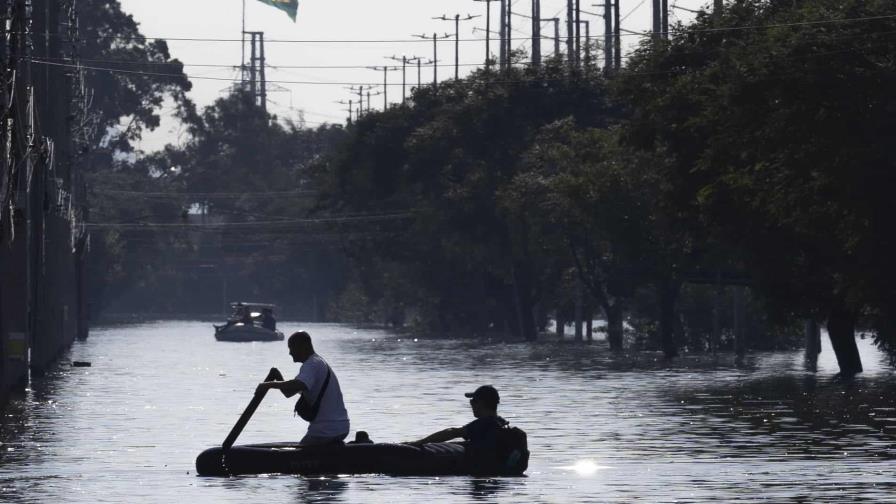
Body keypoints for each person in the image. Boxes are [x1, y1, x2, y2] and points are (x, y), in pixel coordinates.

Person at [255, 331, 350, 445]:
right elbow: (288, 392)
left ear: (303, 346)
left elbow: (299, 384)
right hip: (341, 427)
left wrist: (268, 385)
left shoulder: (312, 364)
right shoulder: (317, 363)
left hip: (325, 430)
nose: (290, 353)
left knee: (300, 450)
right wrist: (277, 377)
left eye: (292, 347)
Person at [408, 385, 508, 449]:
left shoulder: (483, 423)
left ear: (481, 403)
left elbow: (452, 432)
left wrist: (419, 443)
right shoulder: (501, 422)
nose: (471, 405)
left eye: (473, 401)